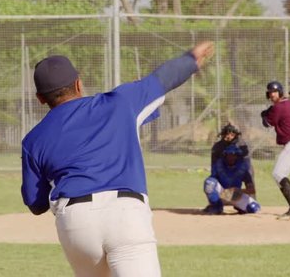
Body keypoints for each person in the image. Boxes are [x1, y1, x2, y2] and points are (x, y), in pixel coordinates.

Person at [21, 41, 214, 277]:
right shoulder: (120, 102)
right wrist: (190, 59)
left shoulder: (33, 140)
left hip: (76, 222)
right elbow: (162, 78)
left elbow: (35, 203)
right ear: (78, 83)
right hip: (125, 214)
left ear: (41, 98)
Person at [260, 80, 290, 220]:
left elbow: (267, 123)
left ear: (280, 92)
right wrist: (271, 109)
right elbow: (279, 109)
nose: (272, 95)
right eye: (270, 93)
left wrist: (264, 114)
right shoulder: (289, 103)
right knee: (279, 174)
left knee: (278, 173)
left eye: (275, 92)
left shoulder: (278, 108)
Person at [203, 144, 261, 215]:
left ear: (238, 156)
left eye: (234, 155)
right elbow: (211, 181)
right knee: (209, 183)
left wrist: (237, 190)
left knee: (254, 208)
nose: (231, 157)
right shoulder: (218, 165)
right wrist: (223, 192)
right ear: (225, 155)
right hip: (221, 194)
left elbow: (252, 190)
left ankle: (239, 207)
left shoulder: (243, 168)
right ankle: (216, 207)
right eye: (229, 155)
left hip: (235, 195)